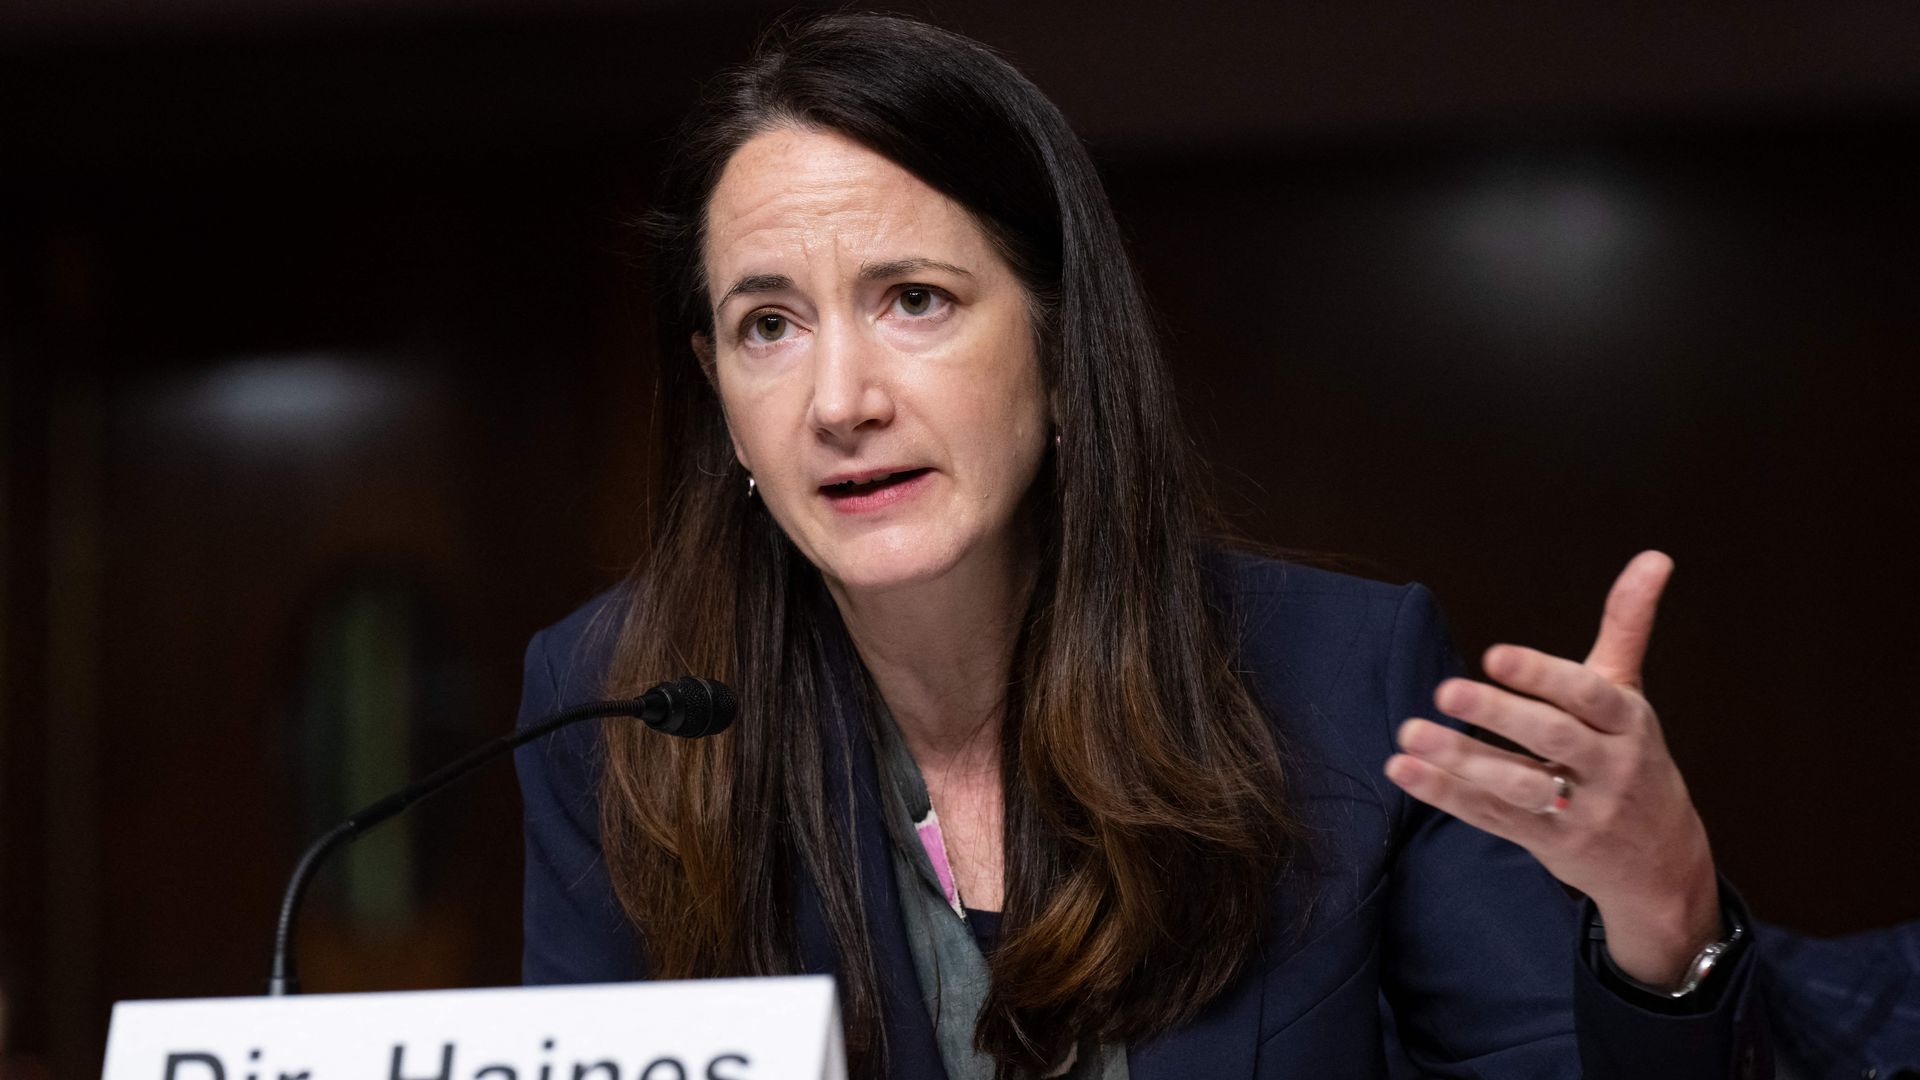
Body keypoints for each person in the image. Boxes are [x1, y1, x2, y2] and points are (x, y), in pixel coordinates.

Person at [515, 13, 1770, 1079]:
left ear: (1063, 351)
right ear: (717, 384)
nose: (840, 401)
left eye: (915, 301)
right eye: (769, 325)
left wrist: (1663, 924)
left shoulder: (1344, 676)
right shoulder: (611, 709)